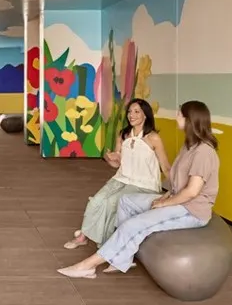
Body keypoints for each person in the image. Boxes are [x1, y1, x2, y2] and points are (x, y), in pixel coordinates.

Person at [57, 100, 220, 279]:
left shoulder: (203, 152)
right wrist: (167, 195)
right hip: (174, 198)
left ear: (190, 120)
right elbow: (179, 183)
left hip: (191, 210)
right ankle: (122, 259)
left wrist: (164, 203)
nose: (176, 117)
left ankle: (88, 266)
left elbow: (192, 191)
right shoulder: (188, 146)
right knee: (125, 201)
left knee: (133, 224)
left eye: (180, 114)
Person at [64, 99, 170, 250]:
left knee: (111, 202)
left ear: (145, 115)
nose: (131, 115)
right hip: (121, 179)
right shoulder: (123, 135)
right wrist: (110, 158)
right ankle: (83, 237)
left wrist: (177, 188)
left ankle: (105, 245)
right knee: (96, 201)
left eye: (136, 112)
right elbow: (117, 164)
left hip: (143, 184)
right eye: (130, 112)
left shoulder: (153, 138)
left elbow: (165, 166)